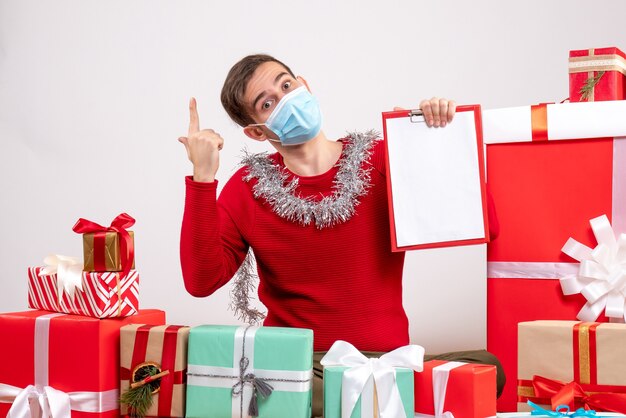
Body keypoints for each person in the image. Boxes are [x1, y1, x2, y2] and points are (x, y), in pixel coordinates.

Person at [179, 54, 504, 417]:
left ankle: (359, 395)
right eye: (268, 103)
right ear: (257, 132)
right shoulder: (248, 188)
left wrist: (433, 143)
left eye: (286, 85)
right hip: (304, 368)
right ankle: (358, 398)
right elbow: (201, 279)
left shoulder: (381, 159)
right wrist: (203, 178)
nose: (286, 100)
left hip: (387, 361)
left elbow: (484, 224)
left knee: (488, 368)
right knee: (293, 389)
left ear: (305, 85)